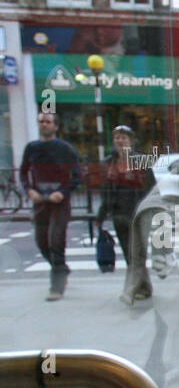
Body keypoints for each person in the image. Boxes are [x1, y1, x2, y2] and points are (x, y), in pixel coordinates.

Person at [19, 112, 82, 301]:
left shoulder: (66, 149)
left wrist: (63, 192)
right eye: (41, 122)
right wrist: (29, 190)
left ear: (55, 126)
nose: (44, 125)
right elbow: (23, 173)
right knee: (41, 242)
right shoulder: (31, 148)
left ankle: (56, 286)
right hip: (40, 202)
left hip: (59, 203)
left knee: (56, 241)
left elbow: (77, 176)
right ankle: (61, 269)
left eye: (48, 122)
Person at [97, 125, 156, 306]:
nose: (120, 141)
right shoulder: (109, 163)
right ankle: (145, 288)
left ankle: (129, 290)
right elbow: (105, 191)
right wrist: (101, 215)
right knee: (130, 255)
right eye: (117, 138)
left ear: (131, 141)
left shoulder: (141, 162)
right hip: (119, 215)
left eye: (124, 138)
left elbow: (151, 189)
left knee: (137, 255)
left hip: (138, 216)